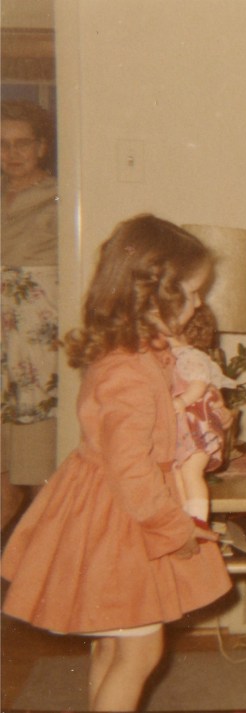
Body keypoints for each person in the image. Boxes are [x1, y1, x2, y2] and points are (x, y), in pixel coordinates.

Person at [0, 214, 232, 711]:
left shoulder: (136, 353)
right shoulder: (128, 372)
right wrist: (176, 529)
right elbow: (132, 472)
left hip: (105, 512)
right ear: (154, 297)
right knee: (140, 650)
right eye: (192, 293)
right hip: (122, 521)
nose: (199, 305)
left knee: (115, 642)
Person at [1, 99, 60, 531]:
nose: (12, 153)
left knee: (42, 481)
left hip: (35, 354)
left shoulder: (61, 198)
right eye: (2, 144)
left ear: (42, 147)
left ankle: (42, 589)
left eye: (22, 143)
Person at [170, 304, 235, 523]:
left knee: (190, 472)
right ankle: (185, 517)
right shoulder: (172, 355)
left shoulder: (190, 356)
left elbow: (200, 383)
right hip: (182, 432)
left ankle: (198, 520)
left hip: (196, 428)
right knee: (178, 474)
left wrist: (182, 400)